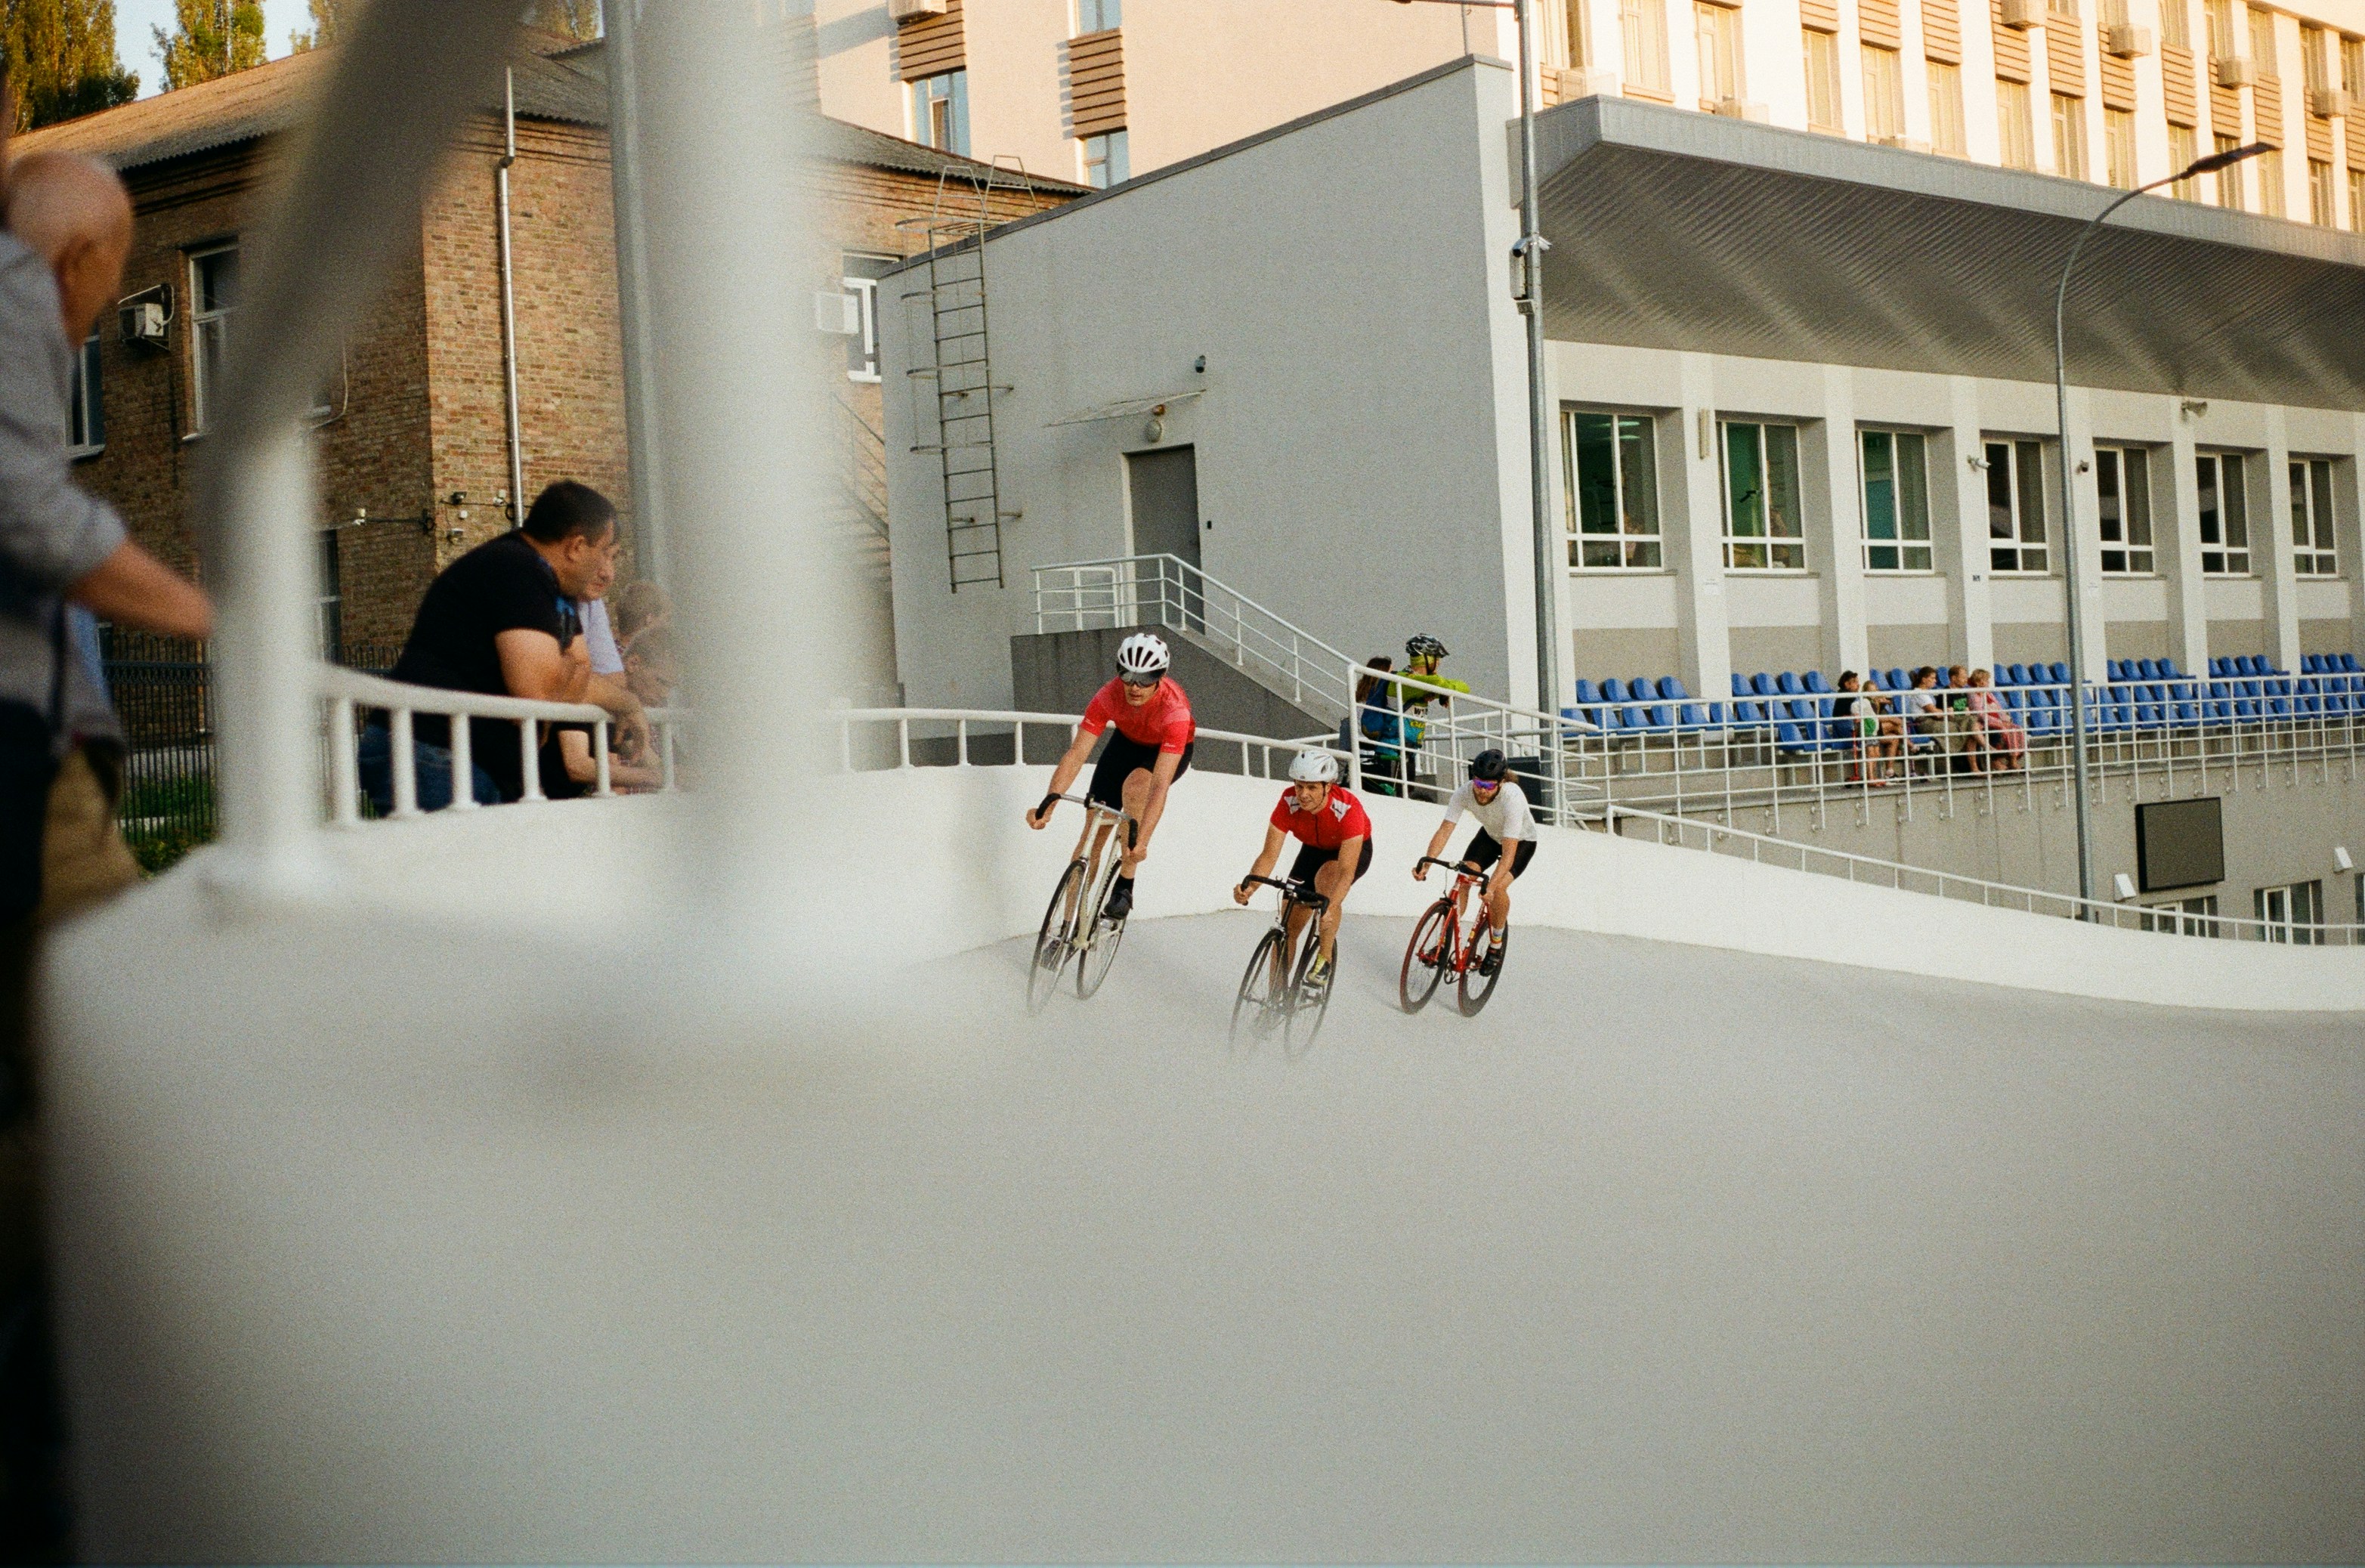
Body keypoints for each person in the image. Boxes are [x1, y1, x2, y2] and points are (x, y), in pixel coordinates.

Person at [0, 149, 212, 1561]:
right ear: (87, 260)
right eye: (114, 280)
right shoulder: (16, 282)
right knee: (136, 1047)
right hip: (17, 759)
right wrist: (202, 612)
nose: (92, 318)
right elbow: (27, 509)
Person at [362, 481, 618, 812]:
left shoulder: (552, 587)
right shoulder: (517, 569)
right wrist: (559, 675)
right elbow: (537, 693)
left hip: (462, 756)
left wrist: (626, 704)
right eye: (604, 552)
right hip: (434, 748)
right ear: (577, 546)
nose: (606, 569)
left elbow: (581, 669)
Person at [1025, 632, 1193, 921]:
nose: (1135, 686)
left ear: (1160, 677)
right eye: (1127, 675)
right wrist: (1048, 805)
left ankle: (1126, 882)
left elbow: (1159, 787)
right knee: (1091, 835)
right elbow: (1076, 754)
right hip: (1126, 743)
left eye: (1146, 678)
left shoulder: (1175, 709)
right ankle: (1067, 925)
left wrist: (1143, 841)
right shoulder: (1108, 695)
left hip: (1164, 750)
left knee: (1137, 787)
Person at [1233, 748, 1370, 988]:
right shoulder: (1288, 802)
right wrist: (1251, 886)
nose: (1303, 794)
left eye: (1312, 788)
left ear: (1328, 786)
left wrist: (1331, 907)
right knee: (1287, 927)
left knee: (1326, 883)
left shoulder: (1348, 808)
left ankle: (1324, 959)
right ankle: (1276, 997)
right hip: (1313, 849)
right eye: (1299, 786)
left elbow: (1346, 872)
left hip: (1348, 851)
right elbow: (1269, 854)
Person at [1414, 748, 1533, 976]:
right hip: (1489, 836)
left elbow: (1508, 854)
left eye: (1488, 786)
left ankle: (1496, 944)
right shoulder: (1464, 792)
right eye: (1478, 783)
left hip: (1521, 842)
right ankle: (1443, 942)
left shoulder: (1512, 798)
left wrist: (1492, 886)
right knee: (1465, 876)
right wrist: (1427, 863)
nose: (1482, 790)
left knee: (1498, 888)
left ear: (1501, 782)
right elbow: (1445, 830)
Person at [1395, 634, 1467, 796]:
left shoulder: (1422, 685)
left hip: (1408, 748)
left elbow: (1464, 687)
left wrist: (1442, 693)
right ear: (1425, 659)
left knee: (1406, 794)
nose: (1439, 663)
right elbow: (1439, 683)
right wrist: (1441, 692)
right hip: (1393, 750)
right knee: (1399, 796)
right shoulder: (1404, 681)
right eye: (1437, 658)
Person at [1353, 655, 1401, 796]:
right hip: (1372, 750)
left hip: (1359, 748)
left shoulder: (1360, 694)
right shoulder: (1378, 698)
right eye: (1390, 672)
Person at [1968, 667, 2026, 770]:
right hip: (1984, 722)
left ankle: (2013, 760)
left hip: (1997, 721)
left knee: (2017, 729)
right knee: (2002, 731)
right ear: (1979, 682)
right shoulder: (1973, 695)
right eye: (1986, 680)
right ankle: (1995, 761)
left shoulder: (1988, 694)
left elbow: (1999, 709)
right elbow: (1980, 714)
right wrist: (2000, 723)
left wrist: (2006, 720)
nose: (1988, 682)